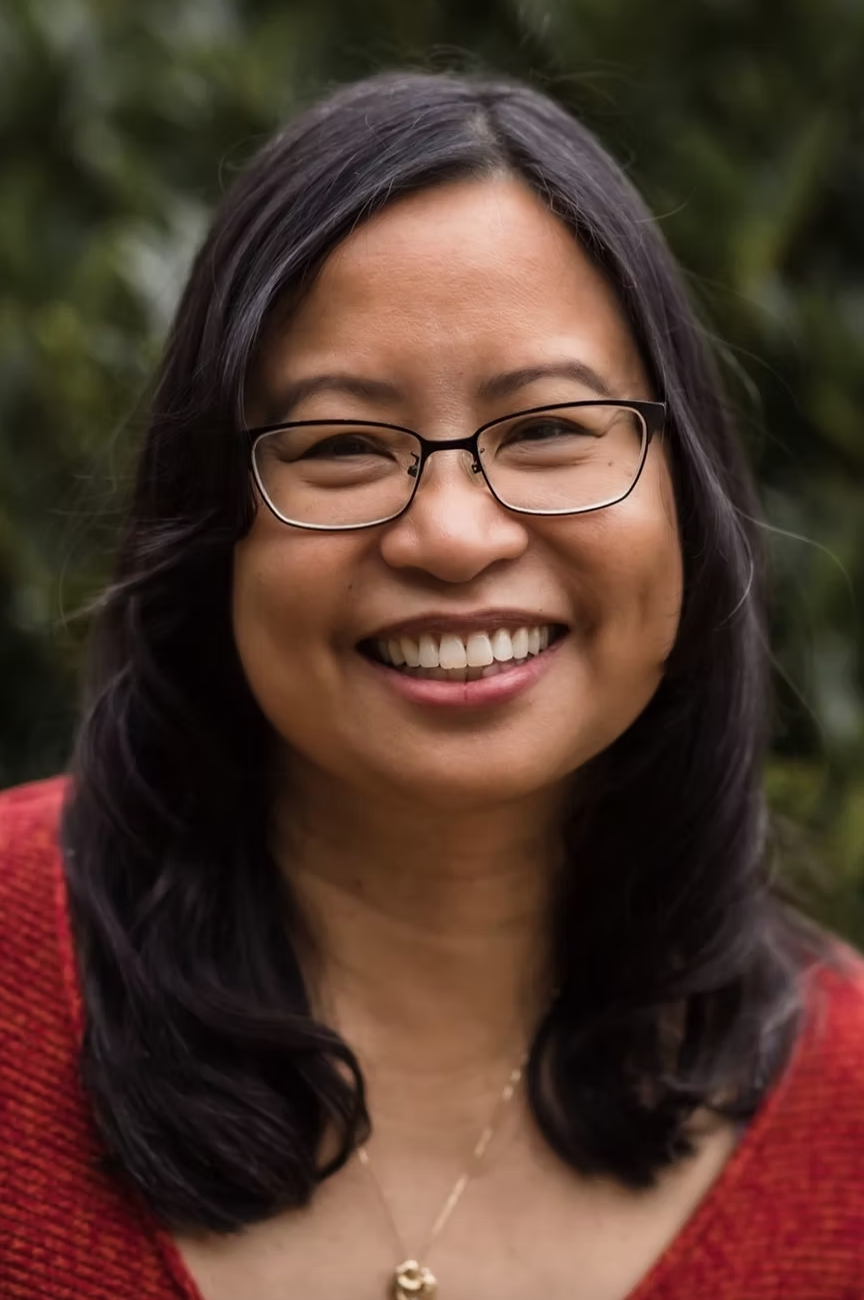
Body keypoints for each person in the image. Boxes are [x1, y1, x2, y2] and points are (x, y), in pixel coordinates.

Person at [1, 69, 862, 1300]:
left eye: (552, 428)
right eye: (342, 445)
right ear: (212, 525)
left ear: (687, 493)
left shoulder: (848, 1126)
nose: (453, 537)